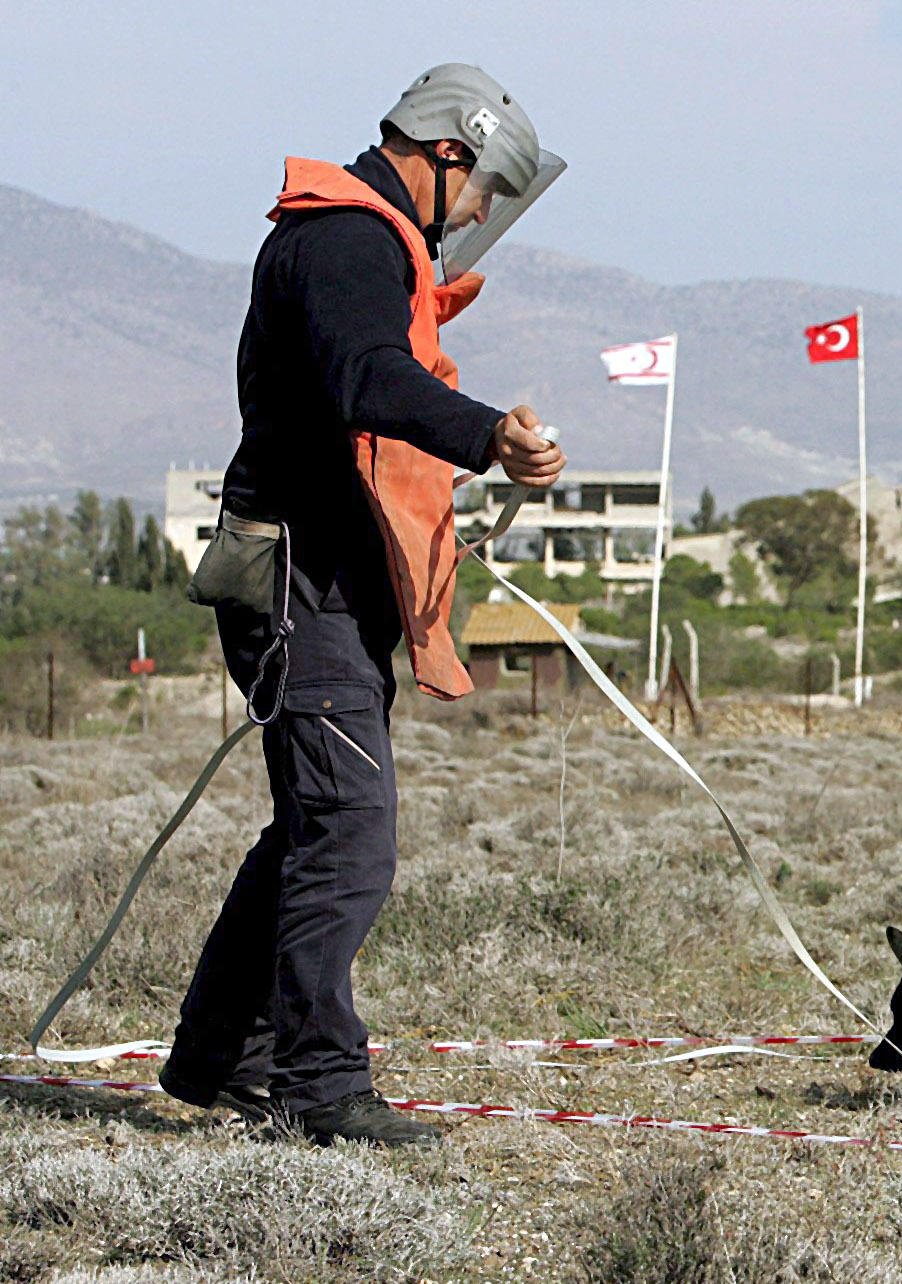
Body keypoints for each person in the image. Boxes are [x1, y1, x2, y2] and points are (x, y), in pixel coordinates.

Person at [160, 64, 567, 1147]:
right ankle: (319, 1092)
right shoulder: (351, 239)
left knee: (312, 827)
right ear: (447, 154)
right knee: (348, 836)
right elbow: (368, 378)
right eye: (484, 191)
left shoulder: (348, 233)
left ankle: (220, 1057)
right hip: (302, 584)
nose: (481, 215)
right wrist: (487, 434)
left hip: (312, 580)